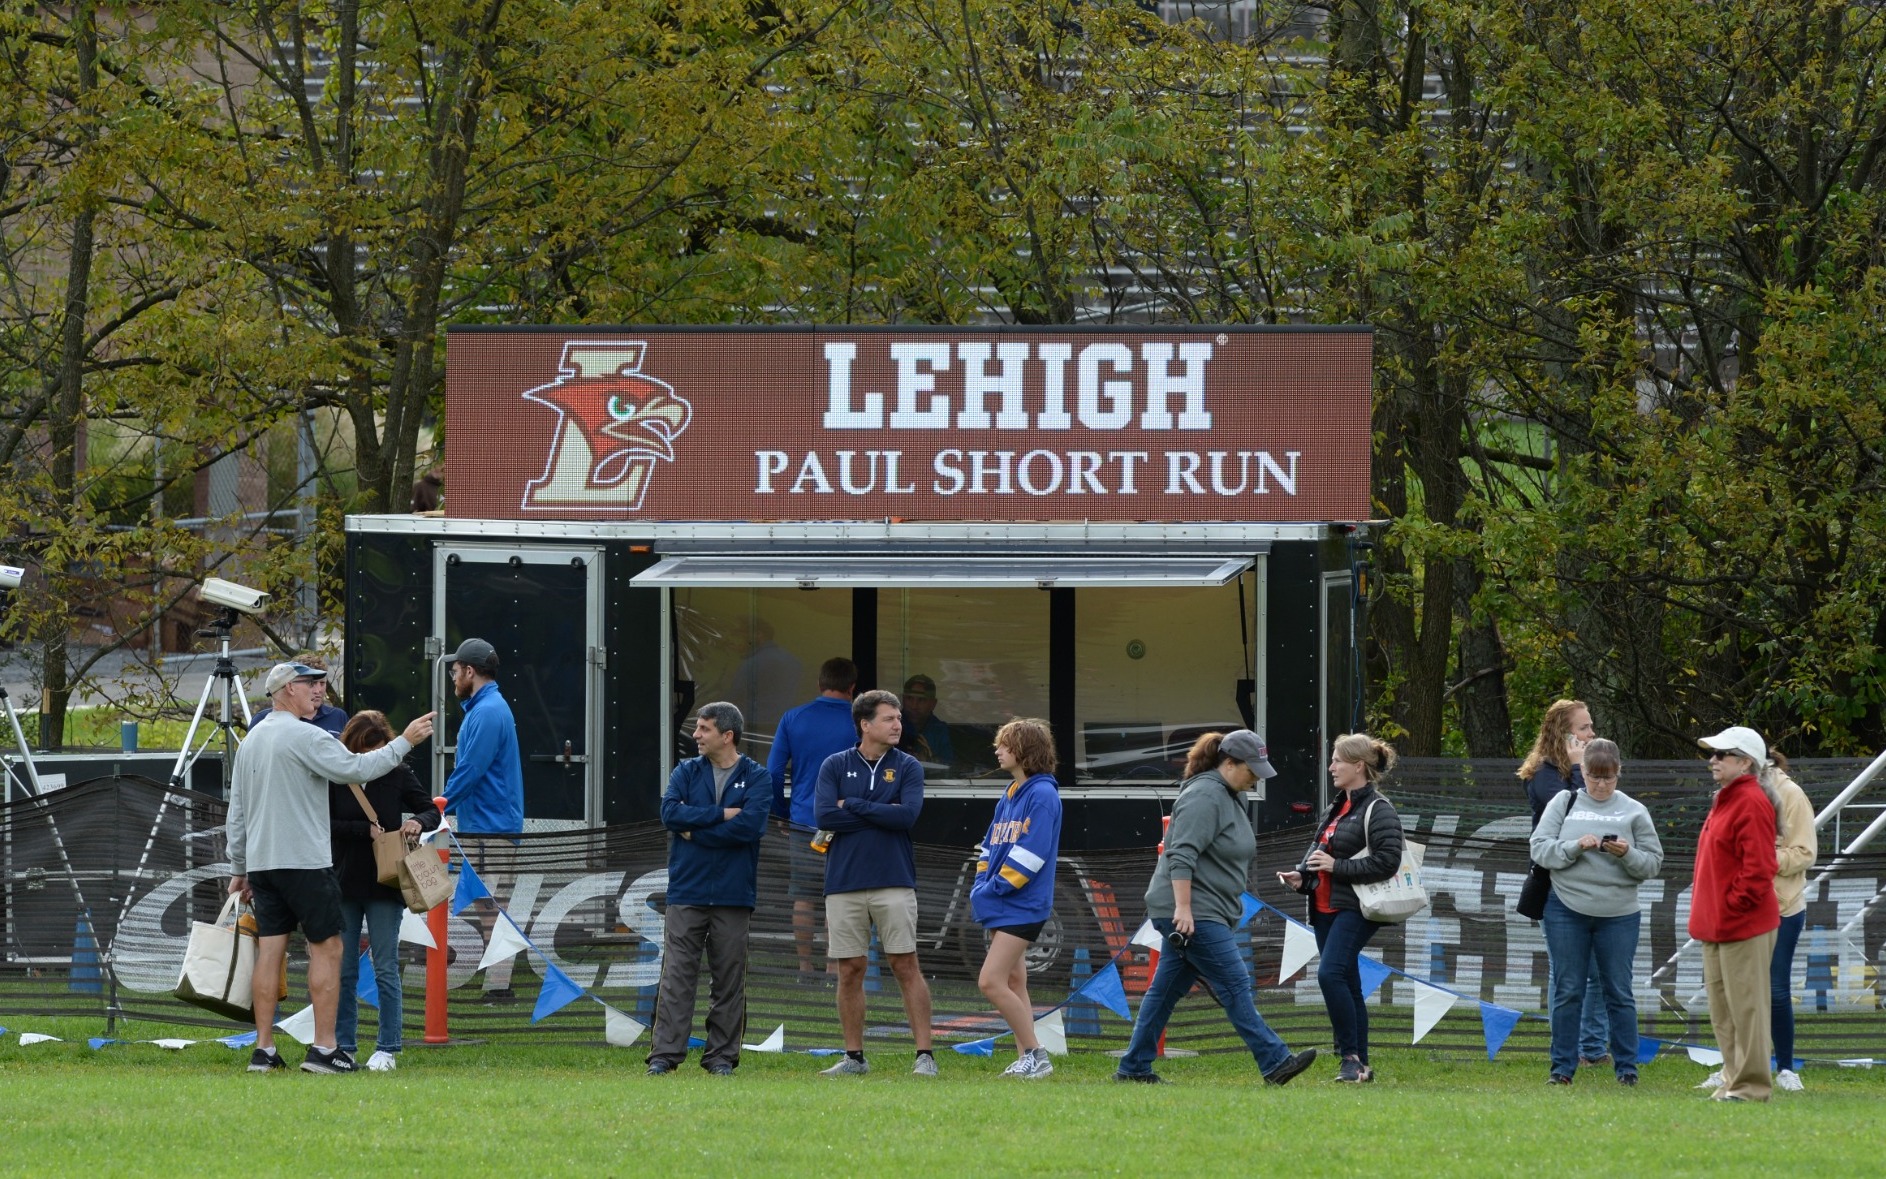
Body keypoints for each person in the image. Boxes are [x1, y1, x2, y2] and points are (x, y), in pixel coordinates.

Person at [226, 662, 434, 1074]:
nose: (317, 691)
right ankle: (325, 1050)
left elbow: (237, 810)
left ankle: (263, 1051)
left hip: (263, 866)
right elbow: (357, 769)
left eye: (320, 683)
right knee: (330, 949)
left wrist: (239, 865)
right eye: (308, 684)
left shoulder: (251, 741)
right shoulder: (306, 735)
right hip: (305, 863)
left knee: (270, 954)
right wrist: (405, 741)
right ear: (285, 690)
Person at [1117, 730, 1317, 1086]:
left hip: (1202, 909)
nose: (1256, 777)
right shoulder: (1205, 795)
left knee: (1163, 994)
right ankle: (1275, 1062)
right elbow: (1180, 853)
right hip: (1192, 911)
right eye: (1251, 769)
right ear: (1228, 762)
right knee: (1235, 983)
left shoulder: (1228, 793)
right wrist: (1184, 908)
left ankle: (1133, 1068)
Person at [814, 689, 937, 1077]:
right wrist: (882, 810)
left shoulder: (908, 766)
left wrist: (851, 805)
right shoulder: (834, 765)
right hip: (844, 882)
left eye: (898, 718)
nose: (898, 724)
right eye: (889, 718)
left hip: (893, 880)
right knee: (850, 968)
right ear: (865, 725)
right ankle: (854, 1058)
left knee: (905, 964)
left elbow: (907, 818)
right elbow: (823, 816)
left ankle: (925, 1057)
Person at [1528, 739, 1664, 1086]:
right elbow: (1540, 849)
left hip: (1619, 914)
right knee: (1568, 988)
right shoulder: (1564, 801)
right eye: (1593, 777)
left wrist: (1626, 853)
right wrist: (1575, 847)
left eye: (1609, 778)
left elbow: (1652, 863)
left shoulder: (1634, 810)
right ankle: (1561, 1069)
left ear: (1619, 773)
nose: (1601, 785)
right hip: (1565, 908)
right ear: (1582, 771)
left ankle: (1627, 1070)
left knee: (1619, 991)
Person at [647, 702, 772, 1076]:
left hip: (734, 895)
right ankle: (664, 1057)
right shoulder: (685, 771)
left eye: (703, 729)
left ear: (726, 735)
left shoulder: (758, 777)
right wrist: (721, 815)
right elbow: (670, 814)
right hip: (686, 891)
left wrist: (695, 831)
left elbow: (749, 828)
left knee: (729, 980)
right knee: (676, 979)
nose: (696, 735)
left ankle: (721, 1058)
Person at [1281, 732, 1403, 1083]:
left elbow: (1387, 862)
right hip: (1323, 907)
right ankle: (1359, 1065)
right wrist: (1302, 875)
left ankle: (1348, 1056)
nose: (1331, 766)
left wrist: (1338, 868)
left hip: (1357, 908)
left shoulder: (1379, 809)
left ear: (1359, 766)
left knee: (1330, 973)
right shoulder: (1337, 806)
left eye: (1337, 760)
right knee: (1347, 981)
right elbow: (1320, 852)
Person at [328, 710, 440, 1072]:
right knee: (343, 970)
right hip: (344, 881)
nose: (371, 760)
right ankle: (344, 1045)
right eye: (364, 751)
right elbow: (323, 822)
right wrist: (364, 832)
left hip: (386, 882)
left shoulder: (398, 773)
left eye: (377, 750)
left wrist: (416, 822)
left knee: (386, 968)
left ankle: (388, 1046)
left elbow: (431, 811)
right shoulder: (336, 772)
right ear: (351, 746)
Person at [1691, 725, 1782, 1102]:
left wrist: (1733, 906)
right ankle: (1733, 1078)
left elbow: (1759, 868)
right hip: (1717, 925)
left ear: (1745, 762)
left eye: (1721, 754)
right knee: (1724, 1013)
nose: (1712, 760)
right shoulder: (1726, 798)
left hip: (1742, 925)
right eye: (1712, 754)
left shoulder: (1750, 801)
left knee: (1748, 1010)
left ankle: (1752, 1086)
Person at [1518, 698, 1609, 1067]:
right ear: (1565, 733)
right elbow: (1571, 810)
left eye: (1591, 726)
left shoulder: (1590, 771)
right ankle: (1568, 1052)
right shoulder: (1543, 773)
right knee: (1568, 975)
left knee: (1599, 972)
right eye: (1584, 727)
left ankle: (1594, 1048)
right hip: (1557, 885)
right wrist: (1574, 768)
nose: (1592, 733)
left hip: (1595, 881)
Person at [972, 718, 1063, 1080]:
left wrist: (994, 888)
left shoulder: (1043, 795)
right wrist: (982, 883)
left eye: (1005, 744)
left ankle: (1037, 1055)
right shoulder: (1010, 793)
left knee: (989, 982)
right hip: (1000, 902)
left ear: (1025, 750)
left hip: (1023, 905)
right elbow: (989, 845)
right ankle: (1026, 1057)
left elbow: (1032, 854)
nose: (997, 750)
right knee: (1013, 982)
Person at [441, 637, 526, 1002]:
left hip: (491, 829)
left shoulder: (489, 711)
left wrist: (437, 807)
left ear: (470, 671)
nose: (453, 677)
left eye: (456, 670)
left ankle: (500, 986)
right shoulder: (484, 708)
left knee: (493, 906)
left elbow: (470, 770)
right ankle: (497, 984)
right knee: (487, 906)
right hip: (483, 826)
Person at [767, 656, 858, 977]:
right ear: (852, 687)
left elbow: (774, 773)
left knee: (804, 897)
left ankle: (805, 967)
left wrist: (781, 813)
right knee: (841, 899)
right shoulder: (863, 721)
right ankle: (835, 967)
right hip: (847, 824)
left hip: (804, 822)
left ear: (820, 685)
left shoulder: (793, 718)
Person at [1764, 751, 1817, 1092]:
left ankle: (1785, 1068)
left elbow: (1805, 852)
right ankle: (1733, 1066)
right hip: (1739, 907)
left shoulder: (1792, 795)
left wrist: (1764, 856)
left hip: (1783, 908)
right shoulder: (1728, 792)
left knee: (1776, 989)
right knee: (1737, 992)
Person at [250, 654, 347, 735]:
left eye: (322, 683)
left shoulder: (338, 716)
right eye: (311, 683)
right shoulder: (262, 720)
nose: (318, 690)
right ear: (290, 687)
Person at [897, 674, 954, 765]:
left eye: (921, 700)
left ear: (933, 704)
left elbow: (949, 764)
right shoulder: (892, 725)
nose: (914, 706)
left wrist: (930, 760)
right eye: (909, 698)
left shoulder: (939, 730)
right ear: (902, 699)